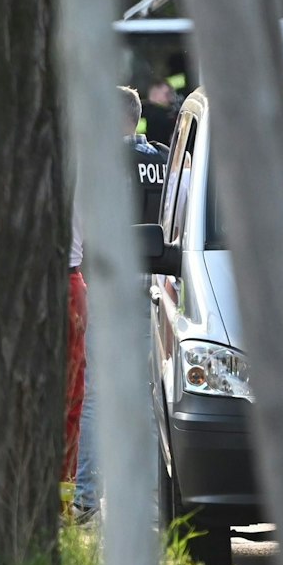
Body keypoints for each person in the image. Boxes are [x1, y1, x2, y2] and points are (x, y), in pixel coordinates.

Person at [74, 87, 168, 516]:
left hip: (103, 288)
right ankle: (151, 497)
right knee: (148, 394)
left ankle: (85, 497)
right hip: (153, 290)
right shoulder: (163, 162)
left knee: (93, 394)